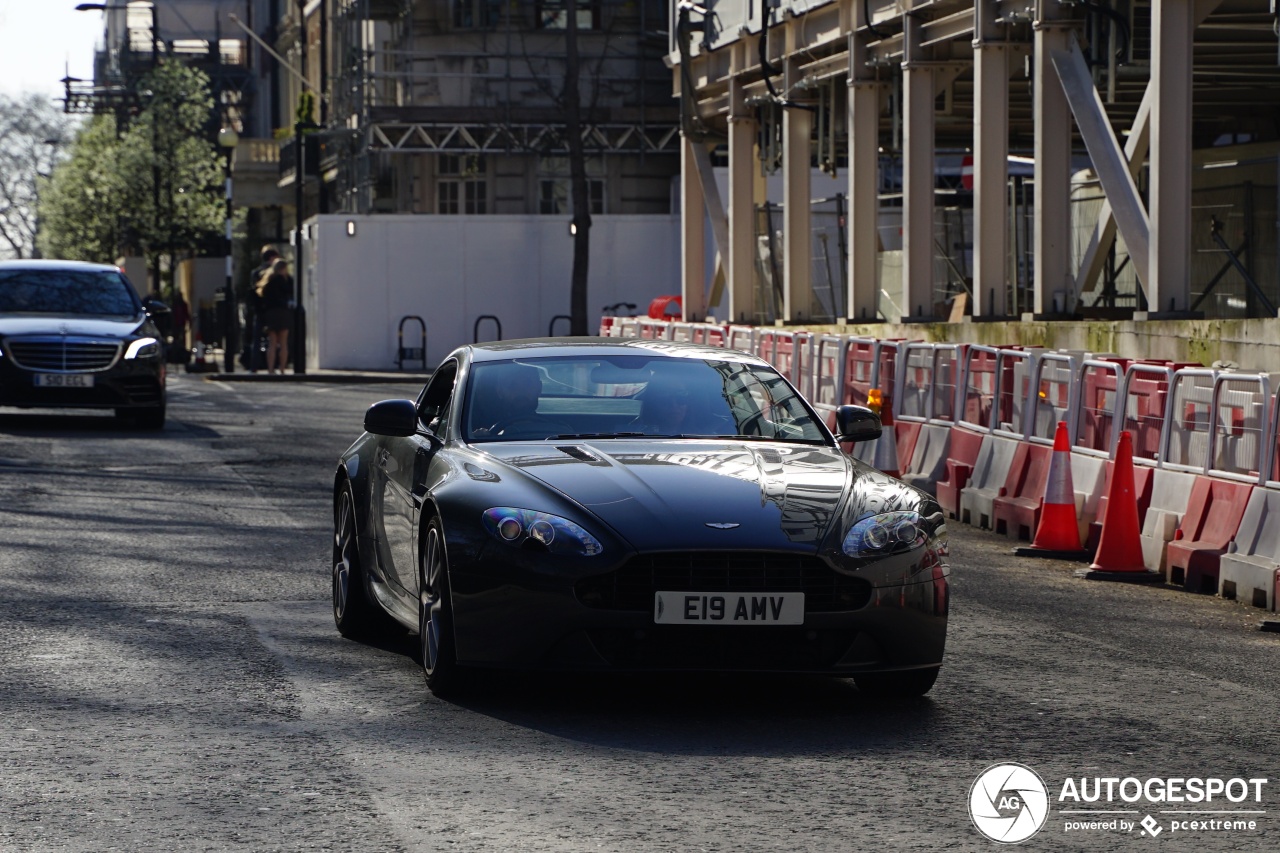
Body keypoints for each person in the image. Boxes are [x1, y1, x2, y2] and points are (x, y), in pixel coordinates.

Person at [243, 246, 279, 372]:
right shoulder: (274, 272)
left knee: (256, 339)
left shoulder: (255, 272)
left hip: (258, 308)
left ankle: (254, 366)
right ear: (272, 258)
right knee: (273, 339)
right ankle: (272, 366)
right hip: (271, 308)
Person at [256, 258, 294, 374]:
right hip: (283, 312)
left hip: (271, 313)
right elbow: (290, 293)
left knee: (272, 343)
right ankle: (282, 369)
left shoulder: (268, 281)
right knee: (283, 343)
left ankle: (270, 369)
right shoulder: (286, 281)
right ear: (283, 269)